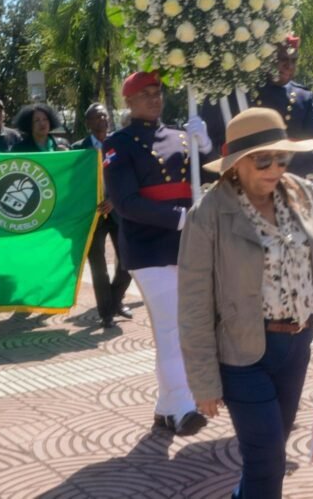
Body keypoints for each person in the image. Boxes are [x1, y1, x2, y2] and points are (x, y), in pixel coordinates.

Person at [178, 107, 313, 499]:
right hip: (243, 354)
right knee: (267, 461)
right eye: (263, 160)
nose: (275, 169)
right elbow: (193, 305)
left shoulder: (299, 192)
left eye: (282, 158)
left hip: (298, 344)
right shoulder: (209, 215)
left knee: (271, 452)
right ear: (236, 163)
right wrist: (203, 382)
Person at [103, 71, 213, 436]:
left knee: (183, 325)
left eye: (158, 92)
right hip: (148, 244)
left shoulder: (181, 136)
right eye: (145, 93)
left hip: (187, 243)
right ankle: (183, 406)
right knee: (171, 326)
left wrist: (205, 147)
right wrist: (180, 218)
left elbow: (209, 178)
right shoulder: (119, 143)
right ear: (129, 101)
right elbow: (125, 202)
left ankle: (166, 406)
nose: (154, 99)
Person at [201, 35, 313, 178]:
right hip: (245, 181)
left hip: (288, 181)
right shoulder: (243, 93)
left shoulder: (304, 98)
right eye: (283, 59)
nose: (290, 66)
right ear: (267, 59)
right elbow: (220, 141)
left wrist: (276, 170)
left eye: (294, 60)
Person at [70, 103, 132, 329]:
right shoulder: (78, 149)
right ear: (88, 122)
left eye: (104, 115)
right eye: (96, 117)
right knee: (98, 267)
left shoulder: (120, 143)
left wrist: (114, 200)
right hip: (93, 214)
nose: (102, 119)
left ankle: (115, 301)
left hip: (117, 211)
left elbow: (128, 176)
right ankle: (106, 313)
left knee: (128, 261)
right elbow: (73, 184)